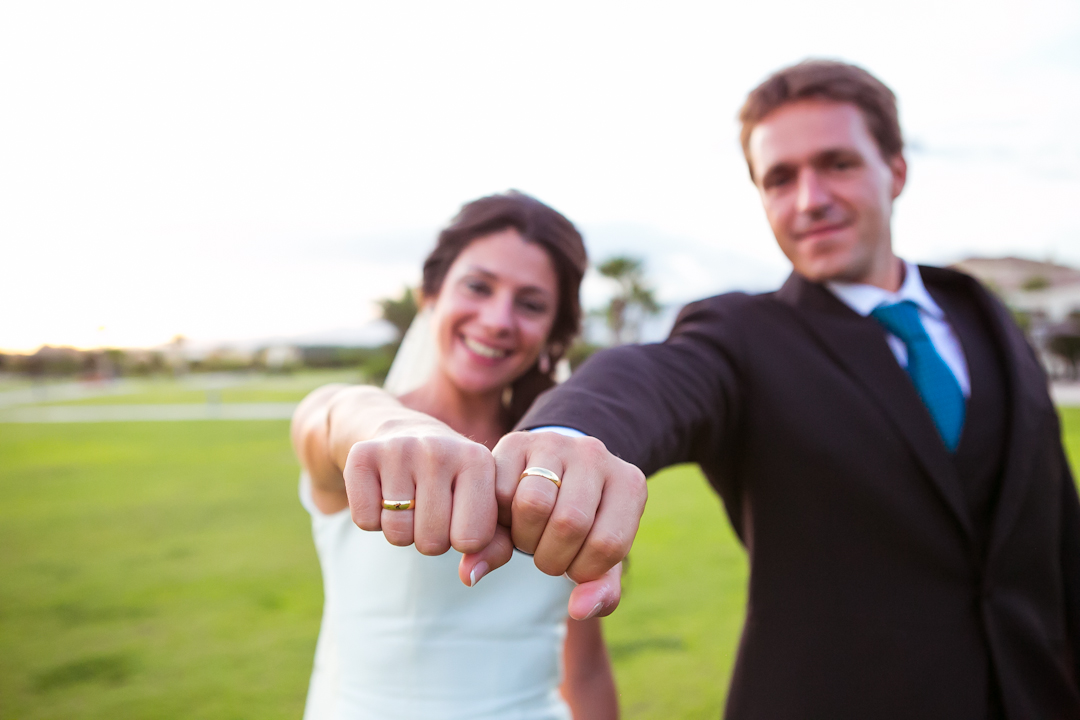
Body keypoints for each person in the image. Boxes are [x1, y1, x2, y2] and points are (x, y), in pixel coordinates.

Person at [347, 60, 1080, 718]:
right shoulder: (742, 336)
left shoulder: (983, 315)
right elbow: (656, 380)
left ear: (895, 170)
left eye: (837, 164)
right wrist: (569, 439)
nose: (809, 199)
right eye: (780, 178)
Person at [290, 191, 618, 720]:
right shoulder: (363, 441)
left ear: (552, 332)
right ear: (430, 294)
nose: (497, 319)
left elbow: (584, 666)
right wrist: (393, 425)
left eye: (530, 304)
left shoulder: (565, 465)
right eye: (478, 287)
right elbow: (327, 413)